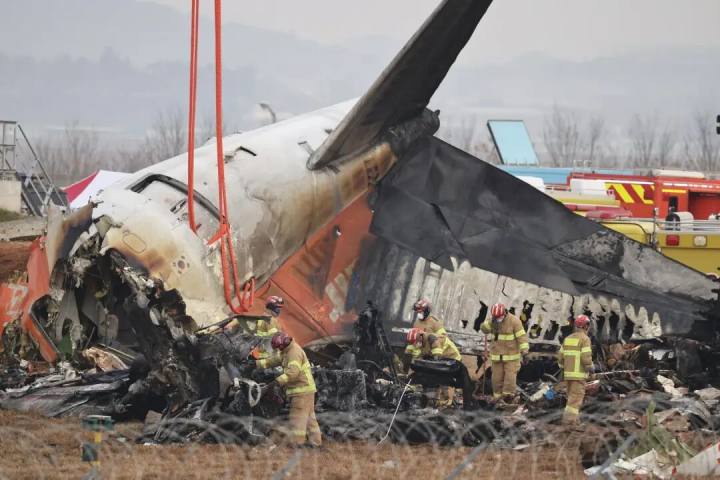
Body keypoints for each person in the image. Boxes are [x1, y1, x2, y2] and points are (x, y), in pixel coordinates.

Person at [264, 332, 321, 447]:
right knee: (309, 419)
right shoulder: (287, 351)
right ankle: (315, 442)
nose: (279, 350)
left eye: (279, 347)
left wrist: (277, 382)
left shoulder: (294, 353)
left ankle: (297, 443)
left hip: (301, 391)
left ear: (283, 344)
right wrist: (256, 363)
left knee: (297, 418)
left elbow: (293, 373)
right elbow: (274, 360)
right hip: (307, 391)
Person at [480, 303, 529, 403]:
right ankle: (497, 398)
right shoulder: (493, 320)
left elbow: (522, 337)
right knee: (496, 379)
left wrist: (525, 352)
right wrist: (490, 323)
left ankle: (507, 398)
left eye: (499, 317)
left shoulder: (514, 321)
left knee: (509, 379)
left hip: (511, 357)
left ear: (504, 313)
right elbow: (484, 330)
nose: (498, 319)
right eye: (496, 317)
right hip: (497, 356)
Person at [406, 327, 463, 407]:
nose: (415, 344)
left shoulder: (432, 338)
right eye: (413, 343)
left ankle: (447, 401)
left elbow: (436, 359)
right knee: (432, 375)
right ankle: (435, 400)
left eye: (416, 342)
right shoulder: (421, 343)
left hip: (452, 359)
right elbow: (416, 361)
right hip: (442, 360)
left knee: (443, 379)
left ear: (421, 336)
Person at [560, 314, 594, 425]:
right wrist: (591, 368)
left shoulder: (567, 339)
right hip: (578, 376)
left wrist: (564, 368)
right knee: (575, 400)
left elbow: (560, 357)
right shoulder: (585, 339)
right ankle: (569, 422)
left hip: (568, 375)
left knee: (571, 398)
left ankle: (575, 421)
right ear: (586, 326)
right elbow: (586, 358)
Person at [254, 296, 283, 365]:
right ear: (271, 307)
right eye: (278, 307)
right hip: (263, 354)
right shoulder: (270, 319)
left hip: (259, 352)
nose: (279, 310)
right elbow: (275, 339)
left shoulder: (264, 317)